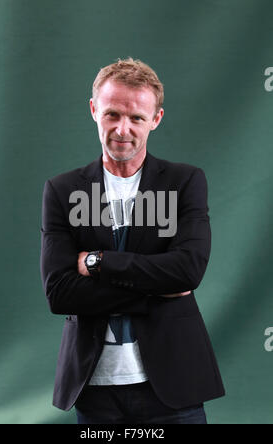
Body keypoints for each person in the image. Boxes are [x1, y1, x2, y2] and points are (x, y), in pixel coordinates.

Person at [40, 58, 225, 425]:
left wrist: (97, 263)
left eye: (137, 118)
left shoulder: (184, 182)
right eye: (112, 114)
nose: (122, 129)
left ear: (155, 119)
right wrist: (158, 285)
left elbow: (187, 271)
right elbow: (60, 293)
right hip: (93, 389)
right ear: (94, 111)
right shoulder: (62, 190)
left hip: (174, 384)